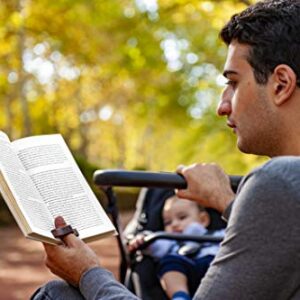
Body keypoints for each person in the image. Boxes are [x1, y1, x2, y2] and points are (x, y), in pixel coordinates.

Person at [31, 0, 300, 299]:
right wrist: (225, 200)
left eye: (234, 83)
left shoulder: (280, 181)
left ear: (281, 84)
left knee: (58, 294)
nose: (222, 106)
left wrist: (88, 273)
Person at [128, 195, 224, 300]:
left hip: (211, 267)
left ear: (203, 220)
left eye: (182, 217)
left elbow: (234, 239)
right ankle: (180, 296)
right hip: (182, 268)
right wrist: (143, 239)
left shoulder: (216, 235)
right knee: (169, 262)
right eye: (168, 222)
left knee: (223, 263)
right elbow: (154, 245)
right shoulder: (169, 241)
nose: (174, 224)